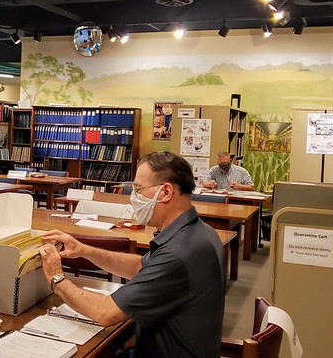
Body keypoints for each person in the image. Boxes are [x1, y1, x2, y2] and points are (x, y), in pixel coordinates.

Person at [38, 151, 225, 357]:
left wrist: (56, 277)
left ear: (166, 192)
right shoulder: (200, 233)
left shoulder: (178, 253)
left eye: (138, 189)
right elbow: (140, 267)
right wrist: (85, 250)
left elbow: (105, 313)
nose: (133, 197)